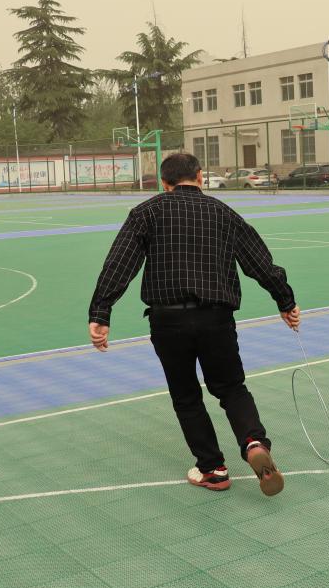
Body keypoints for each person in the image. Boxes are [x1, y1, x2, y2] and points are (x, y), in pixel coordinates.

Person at [88, 152, 299, 496]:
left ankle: (213, 469)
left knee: (186, 395)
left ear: (164, 183)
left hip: (167, 320)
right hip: (216, 318)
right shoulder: (223, 213)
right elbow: (259, 262)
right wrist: (285, 302)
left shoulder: (146, 213)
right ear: (200, 176)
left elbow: (119, 264)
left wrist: (101, 313)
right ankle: (253, 442)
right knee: (231, 388)